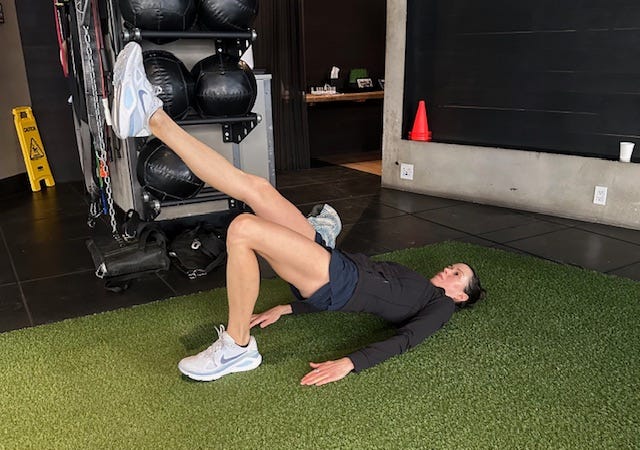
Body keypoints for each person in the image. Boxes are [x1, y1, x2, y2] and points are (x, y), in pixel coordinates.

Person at [111, 42, 486, 386]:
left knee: (243, 228)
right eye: (454, 266)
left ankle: (238, 346)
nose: (449, 270)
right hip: (331, 260)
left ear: (460, 297)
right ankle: (152, 117)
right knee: (257, 188)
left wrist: (351, 363)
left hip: (335, 282)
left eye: (458, 275)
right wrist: (288, 308)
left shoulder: (439, 307)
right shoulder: (418, 283)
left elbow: (406, 340)